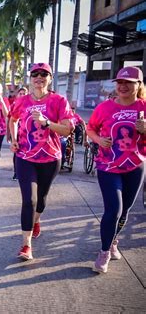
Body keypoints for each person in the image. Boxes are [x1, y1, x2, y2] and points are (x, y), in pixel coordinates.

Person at [9, 63, 74, 261]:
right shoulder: (22, 101)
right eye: (35, 74)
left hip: (50, 157)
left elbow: (67, 130)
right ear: (30, 78)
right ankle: (26, 245)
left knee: (42, 198)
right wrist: (13, 139)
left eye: (44, 74)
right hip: (25, 157)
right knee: (29, 200)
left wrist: (47, 123)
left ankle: (36, 221)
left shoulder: (59, 100)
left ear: (50, 78)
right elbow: (12, 119)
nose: (39, 77)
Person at [86, 66, 145, 274]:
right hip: (108, 166)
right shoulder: (104, 107)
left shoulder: (144, 107)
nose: (123, 86)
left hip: (135, 166)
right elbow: (90, 127)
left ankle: (113, 242)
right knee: (114, 209)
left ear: (138, 85)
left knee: (126, 210)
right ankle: (104, 252)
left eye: (128, 82)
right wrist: (99, 140)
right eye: (120, 82)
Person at [7, 87, 27, 180]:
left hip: (26, 134)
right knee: (16, 153)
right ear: (17, 95)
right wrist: (9, 135)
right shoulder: (14, 104)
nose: (22, 95)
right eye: (21, 93)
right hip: (16, 133)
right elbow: (10, 120)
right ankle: (16, 172)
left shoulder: (30, 104)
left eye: (24, 93)